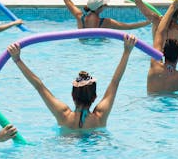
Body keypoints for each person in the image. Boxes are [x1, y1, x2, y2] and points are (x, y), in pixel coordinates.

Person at [8, 35, 137, 131]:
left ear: (72, 95)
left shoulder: (63, 115)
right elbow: (115, 82)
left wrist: (17, 59)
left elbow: (39, 86)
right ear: (94, 97)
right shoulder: (100, 116)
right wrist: (127, 51)